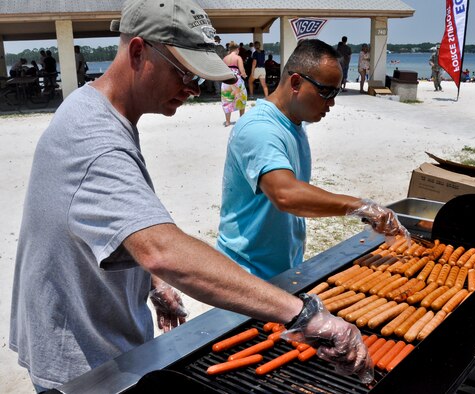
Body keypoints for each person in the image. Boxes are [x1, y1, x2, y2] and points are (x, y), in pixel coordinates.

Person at [9, 1, 373, 391]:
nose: (195, 88)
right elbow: (162, 250)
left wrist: (150, 282)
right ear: (137, 52)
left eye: (201, 77)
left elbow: (106, 221)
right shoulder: (95, 139)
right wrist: (304, 314)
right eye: (185, 72)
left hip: (102, 335)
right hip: (80, 362)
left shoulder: (99, 112)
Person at [216, 39, 408, 281]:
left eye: (336, 92)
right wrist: (361, 206)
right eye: (326, 91)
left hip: (283, 269)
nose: (332, 102)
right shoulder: (260, 128)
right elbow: (285, 194)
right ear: (296, 82)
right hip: (247, 275)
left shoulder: (294, 123)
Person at [221, 41, 248, 126]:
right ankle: (241, 120)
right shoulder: (238, 57)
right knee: (241, 98)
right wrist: (245, 75)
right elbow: (242, 71)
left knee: (226, 99)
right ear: (237, 49)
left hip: (226, 79)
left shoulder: (225, 58)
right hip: (235, 79)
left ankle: (228, 121)